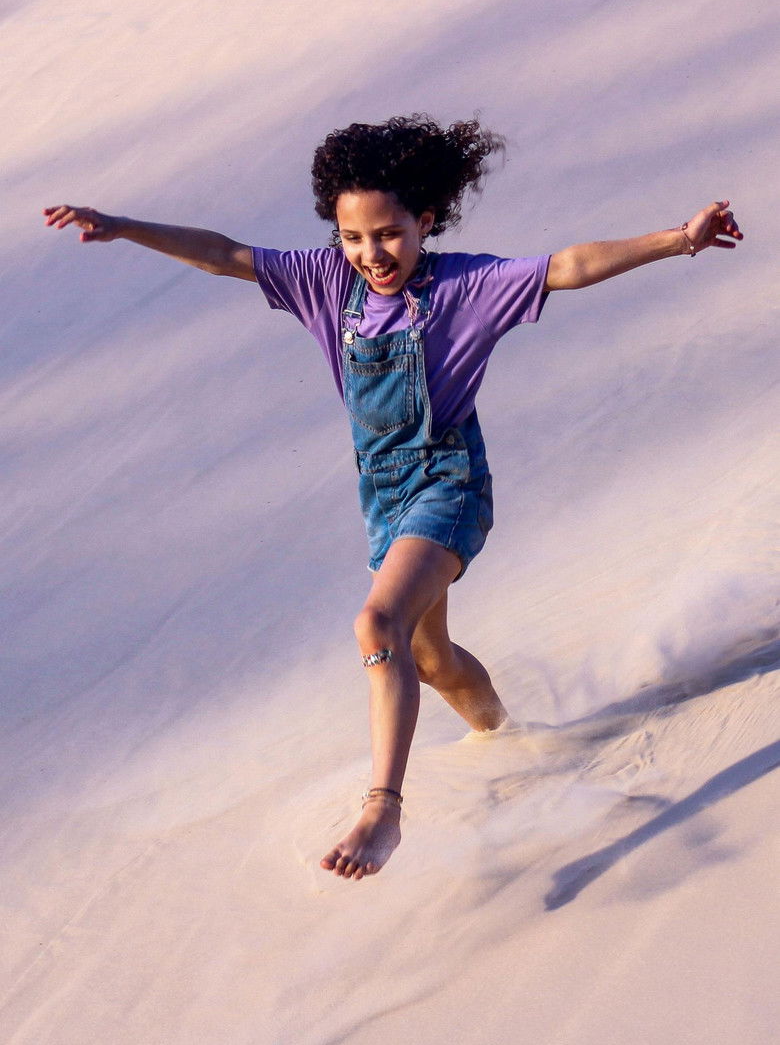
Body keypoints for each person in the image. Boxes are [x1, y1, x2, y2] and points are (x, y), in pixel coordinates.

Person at [44, 114, 743, 881]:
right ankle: (514, 743)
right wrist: (122, 227)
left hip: (449, 484)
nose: (372, 254)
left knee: (376, 624)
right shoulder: (324, 284)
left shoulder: (465, 287)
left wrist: (680, 239)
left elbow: (568, 265)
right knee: (430, 657)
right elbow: (223, 255)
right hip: (383, 499)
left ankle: (383, 808)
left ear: (425, 222)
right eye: (353, 238)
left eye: (389, 235)